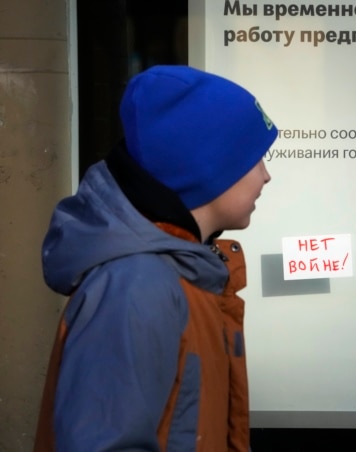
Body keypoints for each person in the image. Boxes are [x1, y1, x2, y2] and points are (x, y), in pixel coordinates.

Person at [33, 65, 278, 451]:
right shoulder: (137, 286)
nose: (266, 176)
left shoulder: (181, 273)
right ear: (208, 166)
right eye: (255, 158)